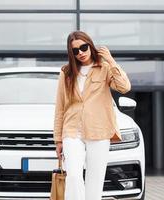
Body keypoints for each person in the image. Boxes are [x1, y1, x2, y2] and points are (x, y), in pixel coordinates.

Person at [53, 31, 131, 200]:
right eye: (75, 50)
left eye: (83, 47)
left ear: (90, 45)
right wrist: (58, 139)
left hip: (99, 130)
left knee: (95, 180)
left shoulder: (104, 68)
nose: (80, 52)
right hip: (72, 131)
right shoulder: (66, 73)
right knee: (73, 176)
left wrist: (111, 60)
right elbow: (60, 108)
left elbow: (124, 87)